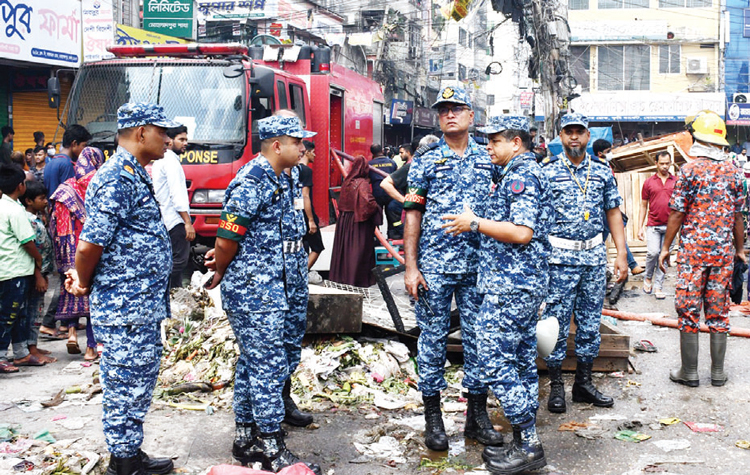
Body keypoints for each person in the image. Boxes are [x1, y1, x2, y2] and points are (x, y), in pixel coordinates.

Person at [64, 102, 177, 475]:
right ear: (141, 132)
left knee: (138, 380)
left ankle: (130, 452)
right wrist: (82, 280)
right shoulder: (116, 176)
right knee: (124, 383)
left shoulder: (135, 172)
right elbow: (88, 245)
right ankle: (123, 462)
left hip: (139, 304)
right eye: (162, 131)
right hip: (124, 306)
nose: (168, 139)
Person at [204, 115, 320, 474]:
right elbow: (226, 238)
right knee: (265, 365)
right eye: (297, 142)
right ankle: (270, 445)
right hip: (258, 290)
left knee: (264, 362)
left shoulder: (287, 178)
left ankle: (245, 436)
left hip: (285, 286)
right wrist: (220, 269)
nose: (303, 148)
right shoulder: (252, 180)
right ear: (276, 145)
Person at [442, 115, 551, 473]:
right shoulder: (514, 173)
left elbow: (522, 232)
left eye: (495, 141)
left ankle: (529, 442)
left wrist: (473, 223)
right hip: (516, 284)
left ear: (516, 143)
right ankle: (524, 442)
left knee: (491, 357)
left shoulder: (521, 175)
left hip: (511, 286)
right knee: (519, 361)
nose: (488, 147)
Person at [403, 85, 503, 451]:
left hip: (480, 267)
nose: (450, 114)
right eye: (443, 109)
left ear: (470, 115)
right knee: (431, 342)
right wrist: (411, 267)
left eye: (457, 108)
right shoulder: (425, 161)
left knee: (480, 341)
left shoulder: (489, 159)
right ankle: (434, 420)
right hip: (435, 267)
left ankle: (476, 418)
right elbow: (411, 214)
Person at [540, 113, 628, 414]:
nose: (574, 137)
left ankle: (583, 384)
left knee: (590, 325)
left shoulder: (603, 173)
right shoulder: (546, 172)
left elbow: (613, 212)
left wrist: (620, 254)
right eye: (569, 132)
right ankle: (556, 387)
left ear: (588, 137)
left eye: (580, 132)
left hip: (592, 258)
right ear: (561, 137)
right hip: (558, 261)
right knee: (555, 326)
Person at [658, 111, 746, 388]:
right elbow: (738, 217)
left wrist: (665, 248)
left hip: (693, 254)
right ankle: (718, 373)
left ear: (698, 138)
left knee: (688, 310)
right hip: (722, 255)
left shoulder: (689, 170)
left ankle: (690, 372)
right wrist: (740, 250)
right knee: (719, 311)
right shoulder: (735, 172)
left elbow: (676, 213)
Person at [50, 147, 104, 361]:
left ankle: (72, 333)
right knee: (90, 294)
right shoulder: (98, 185)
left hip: (66, 248)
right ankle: (91, 347)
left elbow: (54, 222)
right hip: (89, 249)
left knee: (70, 289)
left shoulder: (65, 189)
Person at [0, 164, 45, 372]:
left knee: (19, 314)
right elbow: (28, 241)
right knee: (9, 315)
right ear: (20, 187)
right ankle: (1, 355)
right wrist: (38, 260)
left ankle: (20, 353)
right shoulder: (14, 210)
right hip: (14, 270)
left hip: (11, 269)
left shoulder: (4, 206)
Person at [592, 139, 643, 279]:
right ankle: (632, 265)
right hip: (603, 210)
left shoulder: (607, 166)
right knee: (606, 237)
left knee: (605, 238)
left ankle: (630, 265)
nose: (611, 154)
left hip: (610, 207)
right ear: (600, 153)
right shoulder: (597, 167)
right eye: (609, 151)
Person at [152, 125, 195, 288]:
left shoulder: (161, 160)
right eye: (181, 139)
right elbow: (177, 195)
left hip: (165, 219)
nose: (185, 143)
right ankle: (159, 288)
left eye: (186, 139)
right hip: (175, 219)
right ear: (170, 141)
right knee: (179, 261)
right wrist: (187, 222)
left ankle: (173, 298)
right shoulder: (171, 162)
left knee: (172, 260)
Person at [329, 155, 381, 288]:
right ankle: (356, 280)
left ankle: (343, 278)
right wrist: (377, 207)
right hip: (358, 222)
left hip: (345, 221)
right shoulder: (362, 183)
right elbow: (368, 202)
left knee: (345, 250)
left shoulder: (347, 181)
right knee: (358, 251)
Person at [22, 180, 56, 364]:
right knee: (33, 311)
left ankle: (32, 345)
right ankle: (31, 348)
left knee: (36, 309)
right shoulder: (28, 221)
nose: (45, 202)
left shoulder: (37, 218)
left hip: (41, 272)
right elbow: (33, 249)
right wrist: (39, 275)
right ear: (28, 200)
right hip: (36, 274)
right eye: (41, 199)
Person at [637, 151, 676, 300]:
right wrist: (640, 227)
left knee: (663, 257)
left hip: (671, 227)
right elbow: (643, 205)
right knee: (653, 253)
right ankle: (647, 277)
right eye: (662, 163)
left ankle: (658, 285)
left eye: (667, 163)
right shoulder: (649, 182)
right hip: (653, 225)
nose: (665, 166)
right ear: (656, 163)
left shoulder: (676, 181)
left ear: (671, 163)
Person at [299, 140, 325, 276]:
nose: (315, 155)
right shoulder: (306, 170)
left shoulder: (293, 169)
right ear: (307, 152)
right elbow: (305, 196)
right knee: (317, 247)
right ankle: (302, 274)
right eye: (313, 152)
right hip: (306, 213)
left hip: (295, 214)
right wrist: (311, 220)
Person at [44, 124, 91, 198]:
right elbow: (68, 196)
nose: (85, 149)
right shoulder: (67, 165)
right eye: (84, 145)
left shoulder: (51, 161)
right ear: (74, 144)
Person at [368, 144, 399, 238]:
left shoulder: (369, 164)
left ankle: (377, 237)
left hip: (377, 193)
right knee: (392, 216)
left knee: (376, 216)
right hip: (390, 193)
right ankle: (392, 236)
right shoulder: (392, 162)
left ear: (372, 152)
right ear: (382, 150)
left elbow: (368, 179)